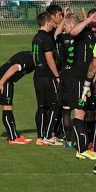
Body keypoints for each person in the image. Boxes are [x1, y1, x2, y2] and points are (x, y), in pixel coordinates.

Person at [56, 9, 96, 156]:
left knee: (85, 112)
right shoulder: (83, 33)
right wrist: (89, 19)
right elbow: (72, 32)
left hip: (87, 79)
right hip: (76, 78)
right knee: (79, 112)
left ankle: (85, 145)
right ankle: (81, 150)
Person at [32, 11, 64, 145]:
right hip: (47, 75)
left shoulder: (35, 37)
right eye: (51, 22)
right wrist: (57, 75)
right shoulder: (47, 38)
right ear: (47, 22)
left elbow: (34, 57)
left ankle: (40, 136)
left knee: (41, 106)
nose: (52, 25)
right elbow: (49, 58)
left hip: (38, 75)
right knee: (54, 104)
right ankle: (48, 135)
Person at [0, 51, 35, 145]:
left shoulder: (30, 55)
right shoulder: (29, 60)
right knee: (7, 107)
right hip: (3, 79)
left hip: (7, 79)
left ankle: (15, 135)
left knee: (8, 108)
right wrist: (1, 83)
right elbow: (13, 68)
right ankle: (13, 137)